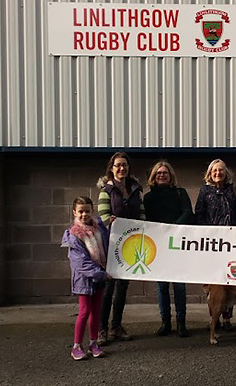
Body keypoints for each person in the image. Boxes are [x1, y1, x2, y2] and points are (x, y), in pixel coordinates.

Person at [96, 152, 146, 344]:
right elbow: (103, 217)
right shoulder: (106, 191)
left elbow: (141, 214)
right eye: (118, 165)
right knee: (108, 287)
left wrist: (142, 229)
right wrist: (111, 221)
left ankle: (116, 326)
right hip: (111, 245)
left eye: (124, 165)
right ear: (111, 168)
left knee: (123, 287)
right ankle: (101, 329)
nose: (122, 168)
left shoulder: (135, 189)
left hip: (130, 246)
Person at [143, 161, 194, 338]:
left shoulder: (181, 193)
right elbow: (146, 219)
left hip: (178, 244)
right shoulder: (148, 198)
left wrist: (172, 228)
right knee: (162, 286)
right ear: (154, 176)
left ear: (171, 175)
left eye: (165, 173)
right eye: (158, 173)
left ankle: (181, 322)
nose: (162, 175)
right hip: (158, 245)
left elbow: (187, 212)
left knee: (179, 286)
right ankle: (165, 322)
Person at [195, 158, 236, 330]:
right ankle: (213, 317)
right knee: (211, 283)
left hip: (231, 243)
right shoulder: (204, 191)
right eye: (214, 170)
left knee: (229, 281)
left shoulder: (235, 190)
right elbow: (199, 215)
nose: (218, 173)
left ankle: (227, 318)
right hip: (211, 244)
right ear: (210, 173)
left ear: (226, 172)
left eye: (221, 170)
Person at [62, 196, 109, 360]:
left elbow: (108, 243)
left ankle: (93, 343)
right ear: (74, 212)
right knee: (84, 311)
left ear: (92, 211)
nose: (84, 214)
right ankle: (76, 346)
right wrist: (101, 274)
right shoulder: (74, 235)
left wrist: (112, 223)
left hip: (99, 277)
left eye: (87, 211)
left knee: (96, 312)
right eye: (81, 211)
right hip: (84, 279)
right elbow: (80, 262)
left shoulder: (99, 229)